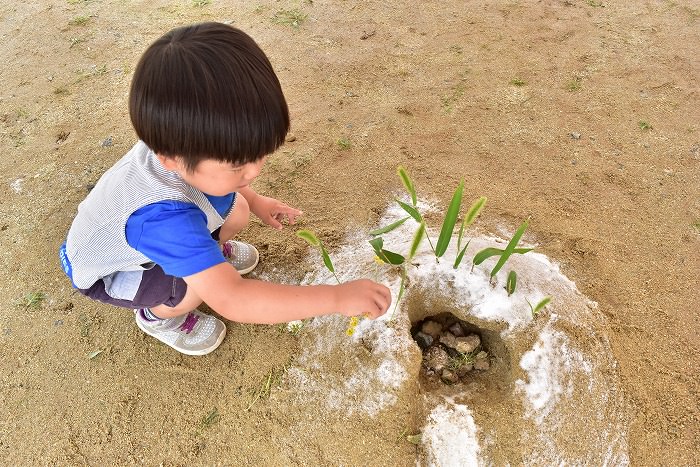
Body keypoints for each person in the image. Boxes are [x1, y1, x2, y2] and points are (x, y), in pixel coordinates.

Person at [59, 22, 391, 356]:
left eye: (259, 154)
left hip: (159, 233)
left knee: (239, 208)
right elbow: (233, 299)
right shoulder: (162, 219)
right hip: (114, 272)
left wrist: (256, 199)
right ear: (172, 159)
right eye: (237, 165)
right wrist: (336, 297)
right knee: (191, 288)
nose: (255, 169)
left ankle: (207, 259)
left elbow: (225, 188)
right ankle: (159, 317)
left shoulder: (182, 145)